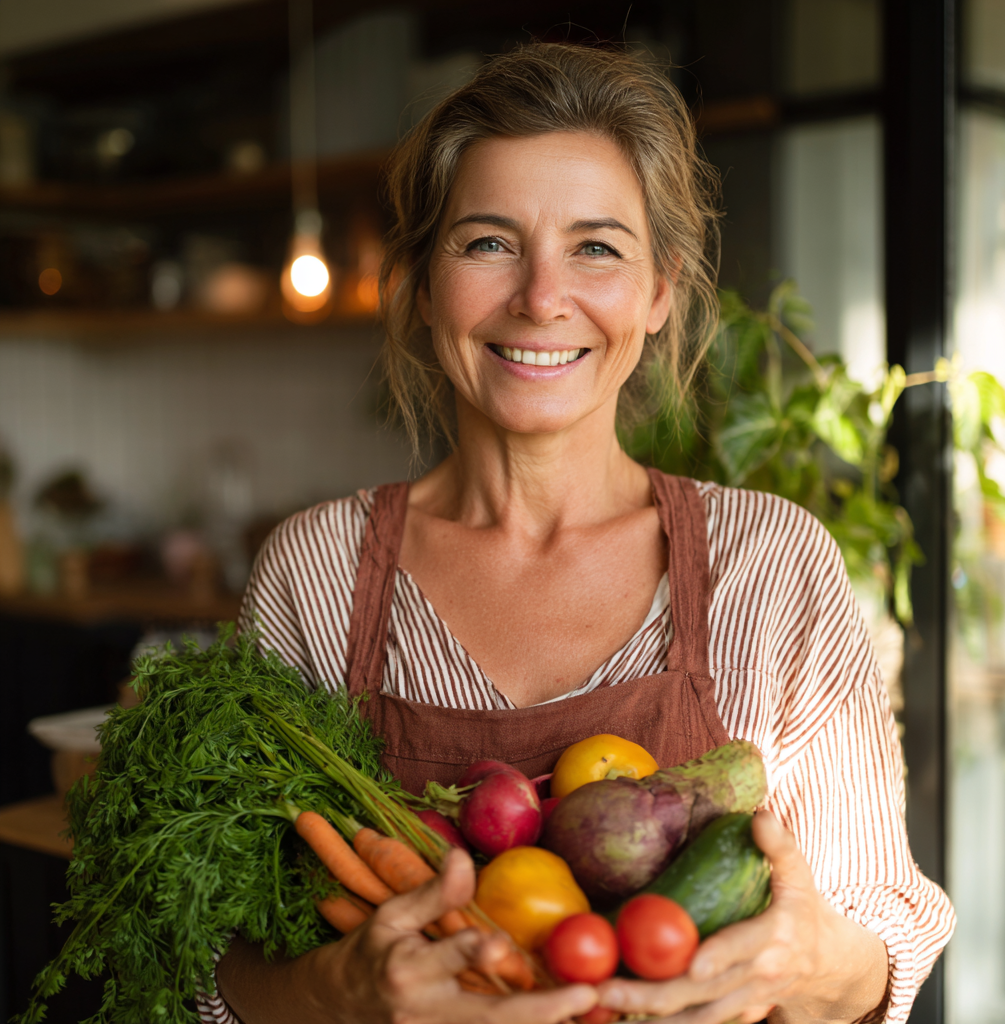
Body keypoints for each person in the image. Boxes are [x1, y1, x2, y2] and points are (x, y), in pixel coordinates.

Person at [209, 42, 954, 1024]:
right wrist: (335, 991)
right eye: (487, 243)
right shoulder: (315, 571)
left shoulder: (771, 563)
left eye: (595, 246)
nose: (541, 298)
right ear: (426, 283)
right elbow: (213, 964)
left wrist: (810, 961)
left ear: (658, 291)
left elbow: (879, 943)